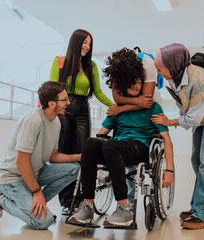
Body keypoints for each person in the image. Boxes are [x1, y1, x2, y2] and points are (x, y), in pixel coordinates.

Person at [69, 48, 174, 227]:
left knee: (111, 146)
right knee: (90, 143)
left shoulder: (153, 108)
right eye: (130, 83)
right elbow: (102, 133)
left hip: (140, 148)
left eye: (139, 82)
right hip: (117, 150)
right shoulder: (117, 109)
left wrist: (169, 170)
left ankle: (123, 208)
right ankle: (87, 205)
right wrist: (92, 149)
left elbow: (166, 139)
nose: (135, 86)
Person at [151, 43, 204, 230]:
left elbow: (193, 118)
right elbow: (187, 108)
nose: (159, 73)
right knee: (197, 160)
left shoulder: (197, 79)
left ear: (172, 65)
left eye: (160, 69)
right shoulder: (176, 78)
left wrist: (169, 122)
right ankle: (200, 207)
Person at [0, 81, 81, 230]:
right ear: (52, 104)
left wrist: (78, 157)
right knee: (43, 222)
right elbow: (21, 162)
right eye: (65, 99)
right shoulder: (32, 121)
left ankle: (37, 207)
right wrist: (37, 191)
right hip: (12, 178)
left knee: (74, 168)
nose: (68, 102)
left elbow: (52, 156)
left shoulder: (56, 122)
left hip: (35, 173)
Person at [49, 29, 113, 214]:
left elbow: (98, 92)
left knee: (82, 154)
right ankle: (66, 200)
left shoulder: (90, 65)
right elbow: (52, 89)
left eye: (89, 43)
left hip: (83, 111)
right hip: (63, 110)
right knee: (64, 154)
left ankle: (81, 199)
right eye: (84, 42)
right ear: (75, 42)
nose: (87, 46)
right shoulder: (59, 62)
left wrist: (117, 106)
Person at [105, 47, 163, 208]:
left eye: (137, 80)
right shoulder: (117, 70)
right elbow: (117, 97)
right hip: (129, 104)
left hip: (149, 108)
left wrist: (121, 108)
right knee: (124, 143)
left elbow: (147, 101)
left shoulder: (148, 64)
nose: (134, 84)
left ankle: (152, 194)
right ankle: (129, 201)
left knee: (148, 143)